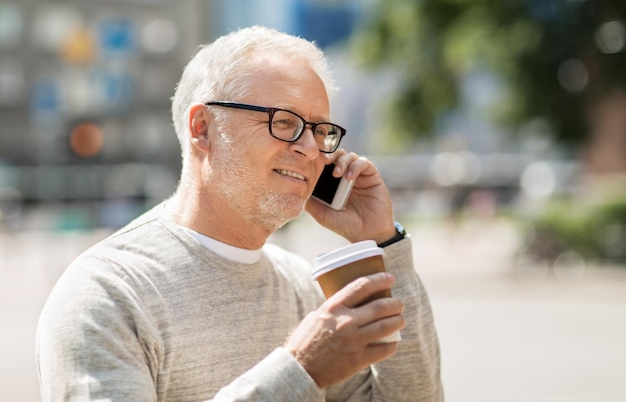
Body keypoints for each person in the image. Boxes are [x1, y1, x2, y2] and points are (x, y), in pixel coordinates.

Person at [36, 25, 443, 402]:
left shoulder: (304, 286)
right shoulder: (106, 294)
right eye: (284, 122)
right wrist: (300, 370)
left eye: (321, 131)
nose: (311, 148)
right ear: (203, 128)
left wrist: (383, 241)